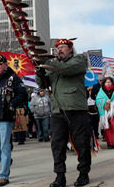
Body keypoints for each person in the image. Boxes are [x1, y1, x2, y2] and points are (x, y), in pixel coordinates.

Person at [35, 39, 91, 187]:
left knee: (81, 144)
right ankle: (60, 177)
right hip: (57, 111)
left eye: (62, 47)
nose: (59, 50)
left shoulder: (78, 61)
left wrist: (46, 63)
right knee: (57, 145)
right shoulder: (53, 65)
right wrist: (39, 72)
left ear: (70, 50)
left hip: (76, 110)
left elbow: (66, 69)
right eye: (57, 47)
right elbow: (42, 84)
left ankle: (83, 174)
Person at [0, 55, 28, 186]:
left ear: (5, 65)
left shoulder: (13, 78)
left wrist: (12, 104)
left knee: (5, 146)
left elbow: (23, 94)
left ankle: (4, 175)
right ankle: (7, 161)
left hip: (5, 119)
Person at [91, 75, 103, 140]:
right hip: (98, 104)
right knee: (96, 120)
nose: (100, 82)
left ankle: (104, 134)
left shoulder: (105, 86)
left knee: (103, 119)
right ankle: (96, 134)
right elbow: (92, 95)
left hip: (105, 104)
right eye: (99, 81)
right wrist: (97, 99)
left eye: (101, 81)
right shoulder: (95, 86)